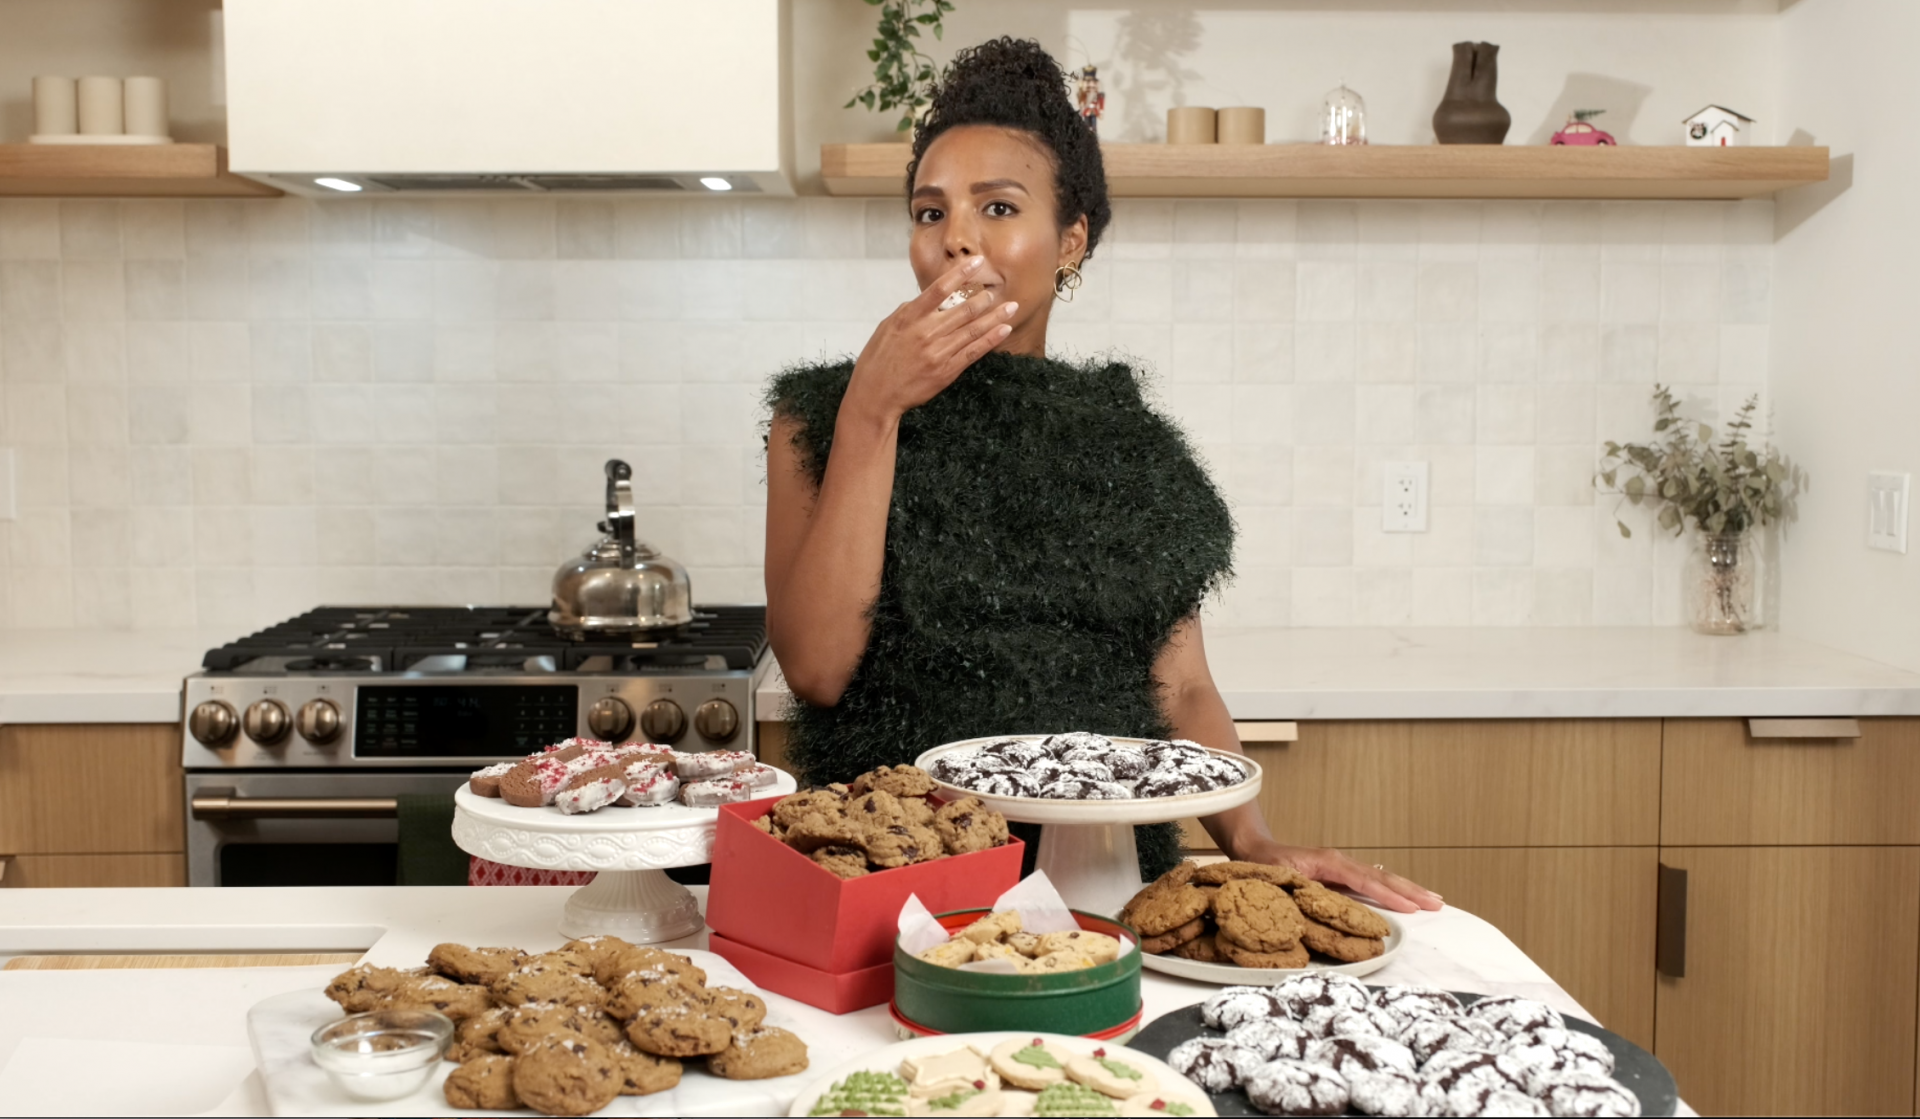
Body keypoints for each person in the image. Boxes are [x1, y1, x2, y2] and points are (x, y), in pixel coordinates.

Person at [763, 38, 1439, 914]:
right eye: (930, 213)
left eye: (997, 206)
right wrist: (872, 411)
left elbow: (1183, 684)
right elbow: (816, 668)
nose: (956, 238)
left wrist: (1256, 842)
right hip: (896, 893)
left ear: (1070, 240)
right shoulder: (821, 418)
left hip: (1110, 890)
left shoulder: (1132, 447)